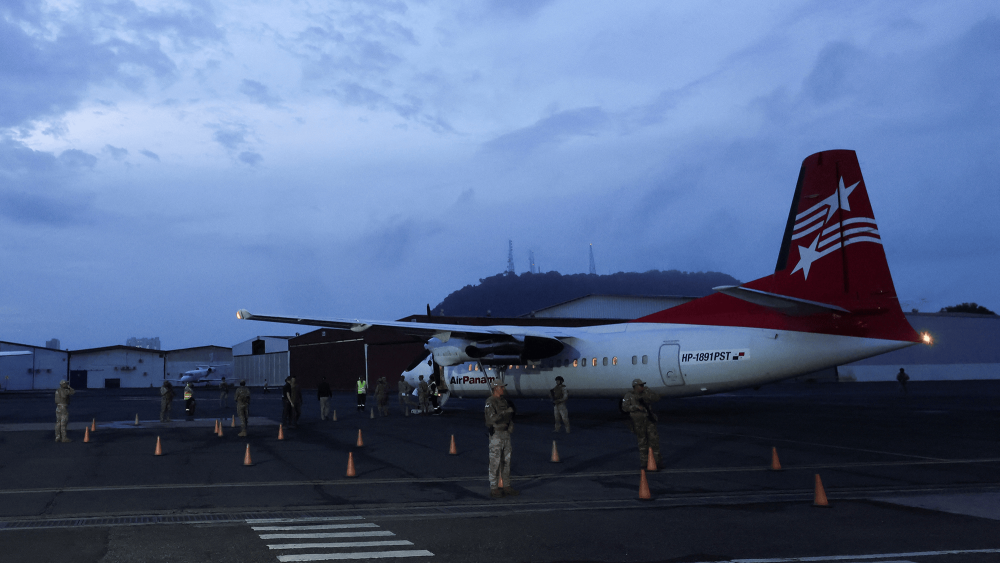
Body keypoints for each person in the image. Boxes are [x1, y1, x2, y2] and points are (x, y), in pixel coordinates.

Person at [485, 379, 518, 498]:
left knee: (506, 461)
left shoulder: (503, 401)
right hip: (496, 434)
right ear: (496, 388)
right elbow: (491, 419)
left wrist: (510, 425)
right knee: (495, 461)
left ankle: (506, 486)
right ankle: (494, 488)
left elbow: (510, 416)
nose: (503, 389)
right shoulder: (490, 401)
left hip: (505, 433)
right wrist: (504, 413)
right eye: (501, 387)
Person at [621, 378, 661, 470]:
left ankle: (657, 462)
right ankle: (644, 463)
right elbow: (624, 407)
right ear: (635, 387)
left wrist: (648, 393)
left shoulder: (646, 393)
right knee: (642, 442)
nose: (642, 387)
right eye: (641, 385)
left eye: (643, 385)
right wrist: (636, 407)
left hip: (649, 420)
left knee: (654, 441)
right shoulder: (629, 395)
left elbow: (656, 398)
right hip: (638, 422)